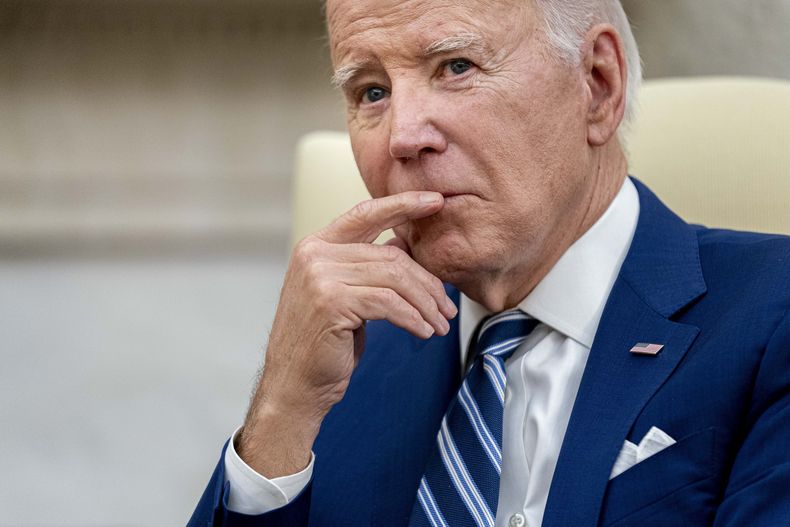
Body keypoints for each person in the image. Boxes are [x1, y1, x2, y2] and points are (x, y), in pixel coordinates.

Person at [189, 0, 790, 525]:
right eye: (372, 92)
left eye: (456, 67)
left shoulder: (771, 317)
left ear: (598, 84)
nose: (403, 136)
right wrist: (281, 412)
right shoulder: (341, 370)